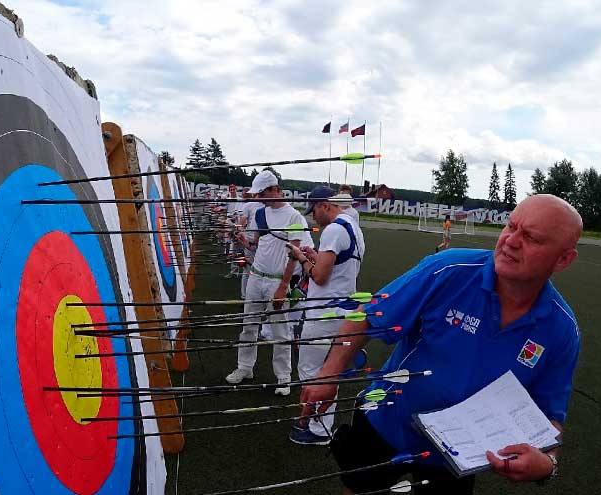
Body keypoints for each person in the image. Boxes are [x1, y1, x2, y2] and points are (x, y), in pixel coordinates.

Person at [300, 194, 582, 493]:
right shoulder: (448, 270)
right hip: (386, 424)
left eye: (531, 237)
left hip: (457, 456)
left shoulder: (561, 330)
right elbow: (367, 316)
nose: (511, 241)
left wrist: (548, 463)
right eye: (511, 227)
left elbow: (549, 416)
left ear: (563, 259)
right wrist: (329, 374)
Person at [288, 185, 364, 445]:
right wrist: (316, 256)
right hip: (341, 310)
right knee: (329, 371)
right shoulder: (353, 226)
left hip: (324, 314)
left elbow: (320, 276)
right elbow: (338, 265)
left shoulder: (333, 229)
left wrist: (301, 258)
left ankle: (317, 428)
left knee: (312, 370)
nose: (312, 217)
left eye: (314, 211)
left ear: (325, 206)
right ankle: (319, 425)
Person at [226, 170, 304, 395]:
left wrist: (283, 287)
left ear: (273, 189)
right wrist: (243, 240)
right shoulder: (261, 213)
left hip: (277, 282)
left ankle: (283, 377)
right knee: (248, 326)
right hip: (256, 277)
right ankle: (244, 368)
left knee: (281, 331)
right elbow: (257, 245)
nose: (257, 197)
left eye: (261, 193)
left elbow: (294, 254)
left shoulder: (294, 217)